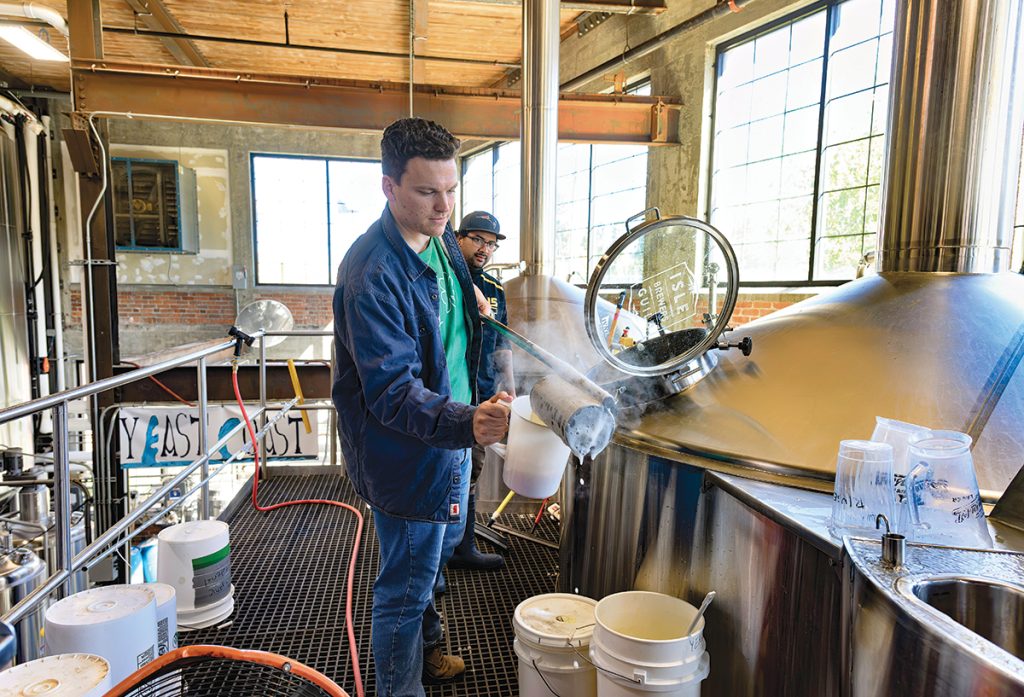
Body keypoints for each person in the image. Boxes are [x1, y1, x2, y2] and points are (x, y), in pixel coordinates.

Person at [332, 117, 512, 697]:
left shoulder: (438, 243)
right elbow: (390, 391)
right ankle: (398, 687)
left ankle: (425, 654)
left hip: (450, 437)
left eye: (452, 189)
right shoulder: (372, 273)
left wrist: (472, 301)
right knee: (404, 589)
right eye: (427, 191)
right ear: (389, 187)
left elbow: (452, 324)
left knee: (430, 567)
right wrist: (469, 420)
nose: (444, 207)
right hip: (407, 450)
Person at [444, 211, 515, 572]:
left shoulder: (497, 290)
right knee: (444, 475)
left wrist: (510, 390)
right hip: (448, 398)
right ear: (457, 238)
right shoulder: (443, 280)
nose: (485, 249)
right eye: (477, 239)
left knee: (471, 471)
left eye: (491, 243)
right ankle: (435, 561)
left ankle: (463, 546)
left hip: (483, 396)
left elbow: (502, 344)